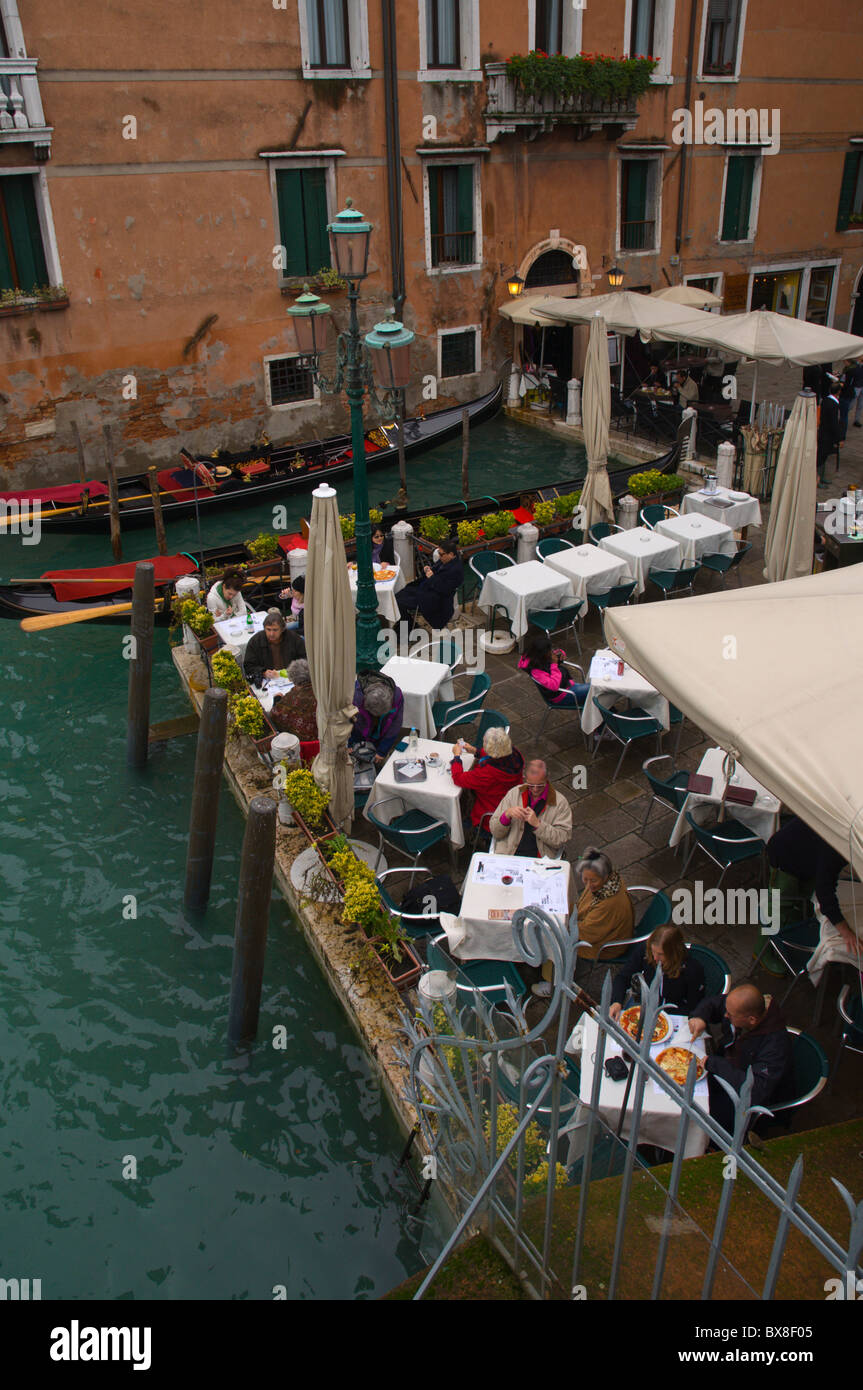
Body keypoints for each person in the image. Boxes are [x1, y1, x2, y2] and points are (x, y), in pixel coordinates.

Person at [687, 983, 794, 1136]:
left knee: (698, 1111)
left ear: (751, 1020)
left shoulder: (775, 1047)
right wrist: (699, 1017)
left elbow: (754, 1089)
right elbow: (713, 1003)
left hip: (744, 1100)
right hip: (725, 1069)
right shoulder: (739, 1007)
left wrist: (716, 1064)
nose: (725, 1015)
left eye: (730, 1015)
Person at [766, 816, 856, 950]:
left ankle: (790, 931)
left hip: (807, 856)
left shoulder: (847, 834)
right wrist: (846, 932)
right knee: (778, 906)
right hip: (784, 855)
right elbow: (824, 893)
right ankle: (766, 949)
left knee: (802, 901)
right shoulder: (837, 844)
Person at [608, 925, 705, 1020]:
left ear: (674, 953)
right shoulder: (645, 951)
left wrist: (664, 1017)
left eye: (661, 954)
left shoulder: (692, 969)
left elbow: (694, 1006)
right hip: (645, 1001)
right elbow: (623, 977)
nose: (655, 958)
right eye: (653, 951)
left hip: (674, 1013)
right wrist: (616, 1001)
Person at [489, 758, 572, 859]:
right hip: (509, 855)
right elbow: (495, 831)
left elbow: (562, 838)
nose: (535, 789)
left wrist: (538, 825)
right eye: (531, 785)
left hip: (539, 860)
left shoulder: (560, 803)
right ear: (525, 779)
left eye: (540, 785)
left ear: (547, 779)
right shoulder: (514, 793)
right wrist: (507, 815)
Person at [450, 726, 524, 829]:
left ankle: (470, 827)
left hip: (492, 812)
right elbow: (497, 754)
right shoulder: (514, 754)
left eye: (484, 743)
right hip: (509, 798)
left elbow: (458, 778)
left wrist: (456, 757)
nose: (483, 745)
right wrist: (475, 751)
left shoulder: (488, 773)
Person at [573, 849, 634, 960]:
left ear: (605, 876)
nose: (588, 885)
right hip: (596, 931)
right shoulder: (610, 882)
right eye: (585, 879)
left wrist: (564, 925)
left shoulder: (608, 904)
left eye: (593, 880)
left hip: (604, 947)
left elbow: (588, 934)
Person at [396, 539, 464, 629]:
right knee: (397, 597)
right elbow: (434, 572)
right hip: (426, 590)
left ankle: (407, 627)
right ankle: (408, 624)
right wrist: (427, 570)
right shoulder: (444, 560)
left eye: (441, 554)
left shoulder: (456, 570)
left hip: (435, 599)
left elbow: (445, 590)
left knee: (399, 602)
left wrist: (432, 578)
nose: (439, 556)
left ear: (451, 554)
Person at [518, 631, 589, 707]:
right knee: (596, 689)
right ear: (543, 654)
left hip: (568, 685)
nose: (552, 652)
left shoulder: (539, 657)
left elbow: (555, 654)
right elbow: (554, 685)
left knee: (596, 687)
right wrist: (554, 664)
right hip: (561, 696)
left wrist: (561, 653)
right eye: (550, 651)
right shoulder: (536, 671)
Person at [350, 670, 404, 760]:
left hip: (380, 734)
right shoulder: (356, 697)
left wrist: (382, 751)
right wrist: (348, 744)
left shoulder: (397, 696)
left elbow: (395, 725)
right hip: (358, 734)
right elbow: (346, 721)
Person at [243, 608, 304, 686]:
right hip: (267, 682)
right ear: (264, 628)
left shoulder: (293, 638)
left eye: (275, 630)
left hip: (291, 679)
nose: (271, 633)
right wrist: (263, 672)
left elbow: (304, 659)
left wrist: (294, 670)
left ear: (282, 629)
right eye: (268, 629)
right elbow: (248, 665)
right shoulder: (256, 641)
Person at [269, 659, 318, 741]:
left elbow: (274, 716)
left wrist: (277, 699)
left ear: (293, 679)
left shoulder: (291, 697)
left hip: (299, 743)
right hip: (321, 738)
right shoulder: (320, 690)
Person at [817, 381, 841, 485]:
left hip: (823, 431)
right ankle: (818, 478)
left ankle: (821, 477)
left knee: (823, 455)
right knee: (822, 457)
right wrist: (838, 438)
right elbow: (834, 423)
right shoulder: (833, 404)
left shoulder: (825, 400)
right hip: (827, 435)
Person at [851, 358, 863, 428]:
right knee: (852, 404)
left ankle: (857, 420)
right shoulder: (856, 365)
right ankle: (843, 415)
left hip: (860, 386)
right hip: (857, 386)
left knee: (860, 405)